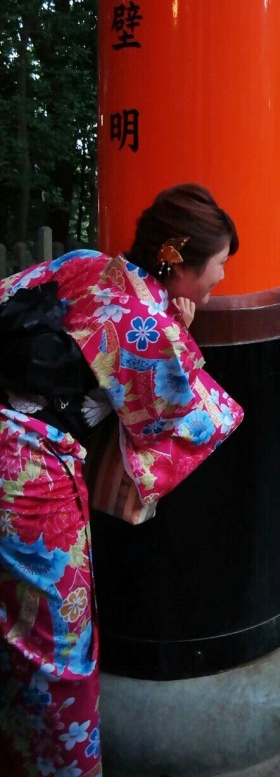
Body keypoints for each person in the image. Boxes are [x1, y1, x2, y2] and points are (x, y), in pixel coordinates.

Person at [0, 183, 244, 777]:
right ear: (177, 261)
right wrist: (178, 336)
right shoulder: (150, 326)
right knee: (58, 659)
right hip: (30, 485)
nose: (213, 291)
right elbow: (201, 417)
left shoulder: (84, 263)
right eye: (212, 276)